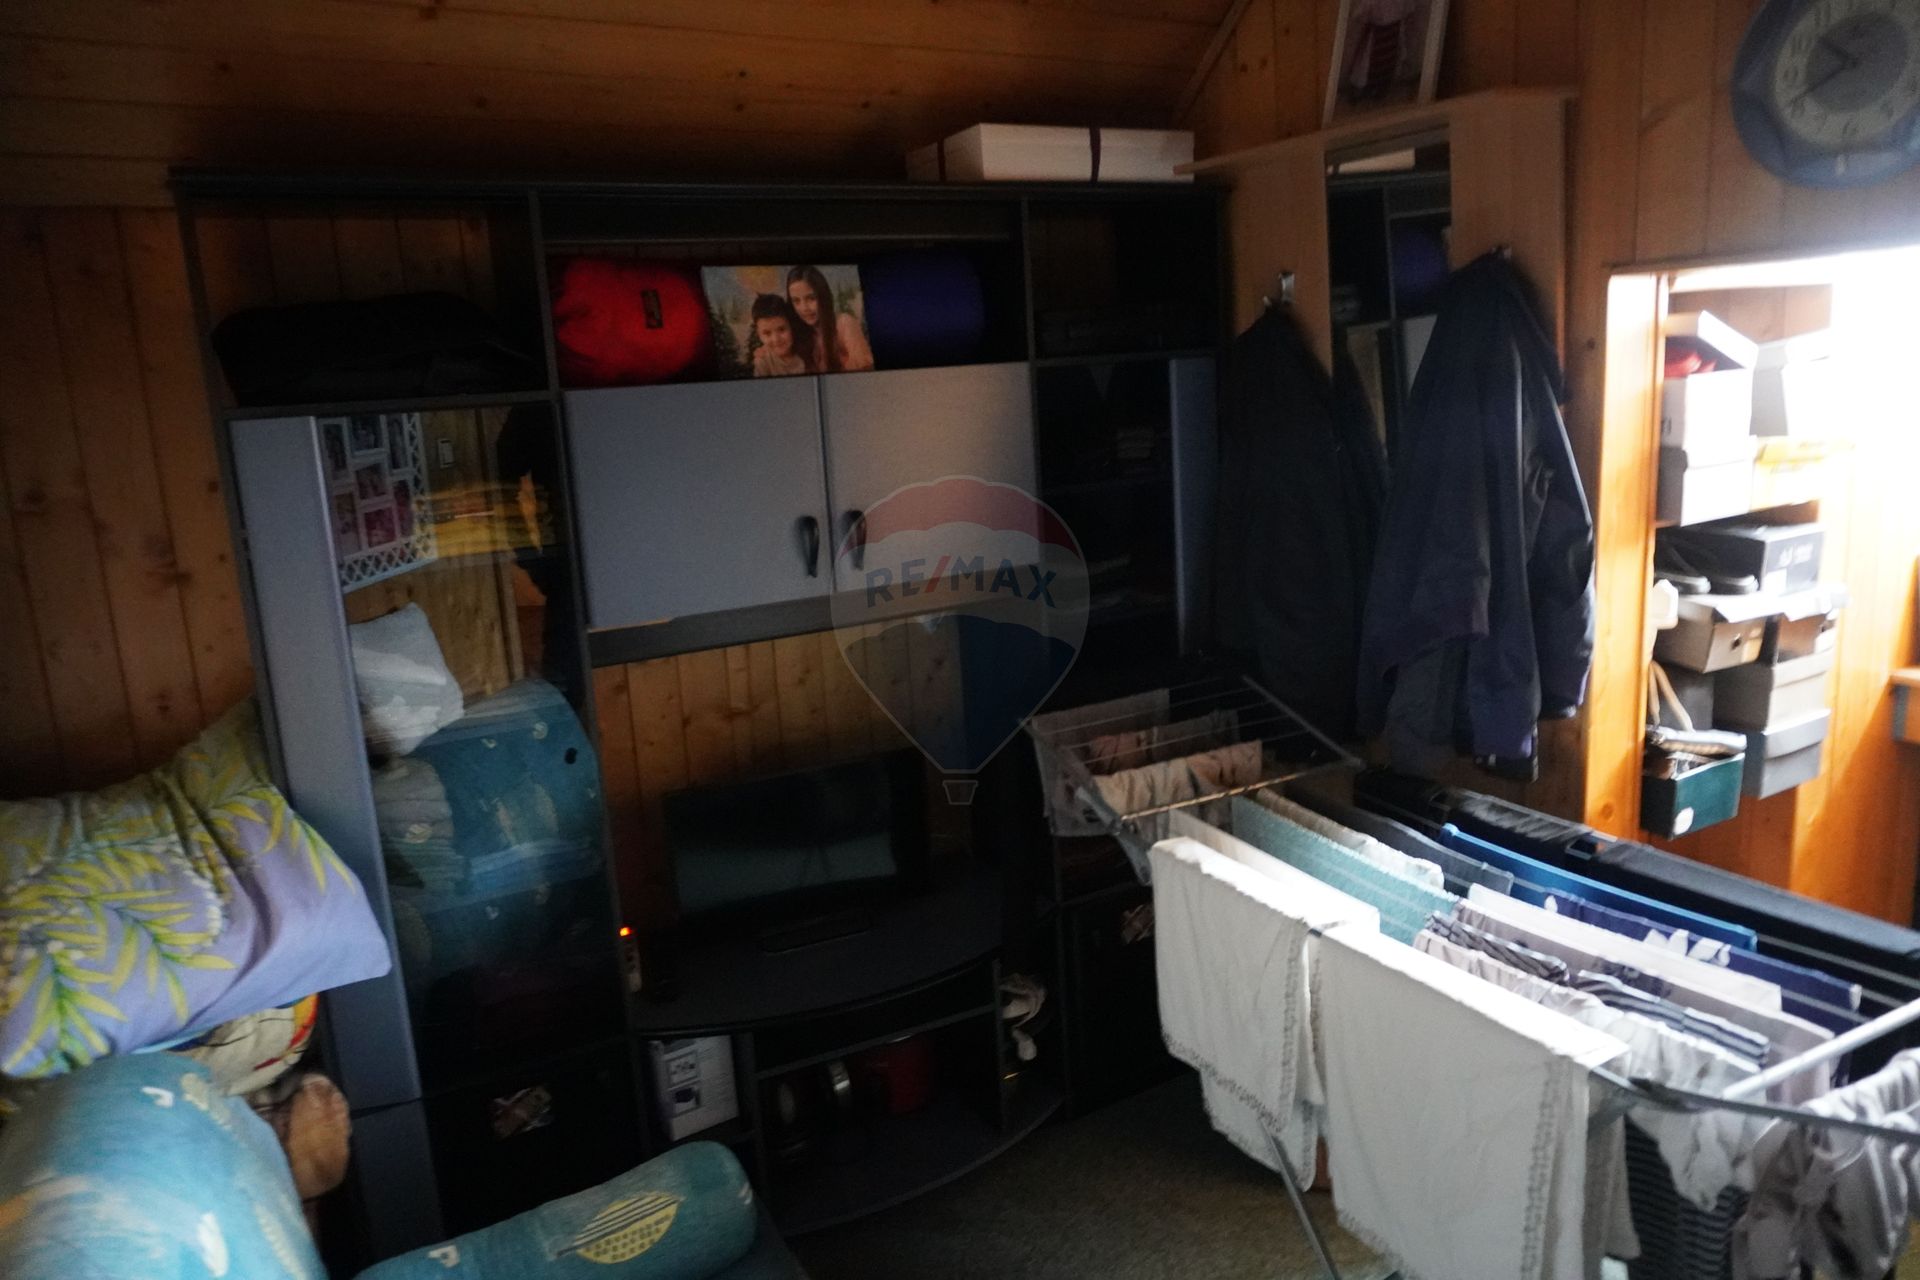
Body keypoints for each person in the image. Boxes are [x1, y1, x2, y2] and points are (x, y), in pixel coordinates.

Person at [787, 265, 874, 373]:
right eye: (796, 301)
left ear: (823, 296)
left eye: (811, 298)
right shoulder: (801, 334)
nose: (804, 308)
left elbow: (865, 368)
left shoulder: (844, 323)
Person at [749, 293, 812, 377]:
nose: (776, 339)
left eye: (781, 329)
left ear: (792, 327)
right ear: (758, 334)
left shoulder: (807, 352)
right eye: (767, 333)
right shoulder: (762, 362)